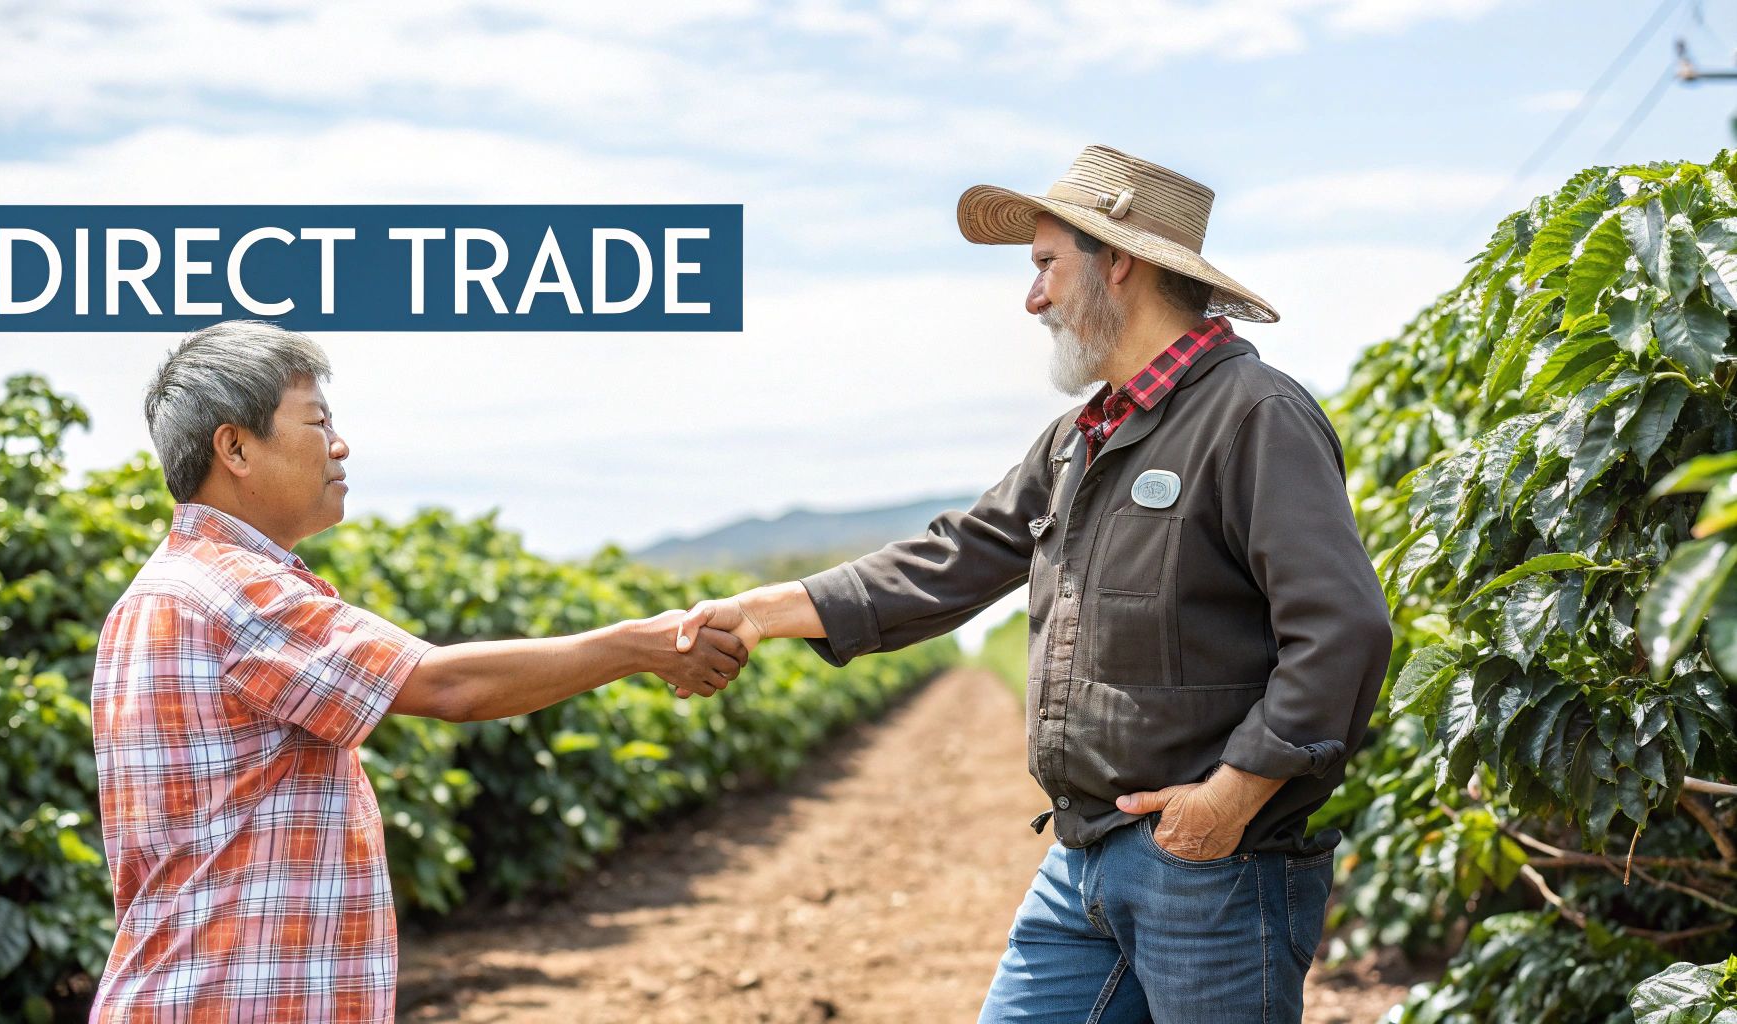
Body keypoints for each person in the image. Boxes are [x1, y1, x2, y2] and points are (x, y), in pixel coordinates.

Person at [673, 145, 1394, 1023]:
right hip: (1081, 856)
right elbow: (957, 556)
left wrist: (1228, 799)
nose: (1034, 297)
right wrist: (761, 611)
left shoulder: (1254, 415)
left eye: (1046, 264)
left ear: (1117, 261)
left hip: (1214, 866)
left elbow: (1343, 631)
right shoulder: (1075, 442)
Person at [88, 320, 747, 1022]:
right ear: (236, 447)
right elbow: (447, 685)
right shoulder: (235, 589)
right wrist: (636, 646)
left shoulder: (163, 590)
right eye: (316, 422)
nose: (339, 445)